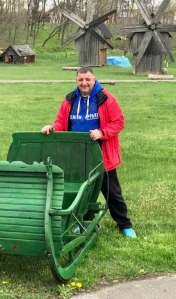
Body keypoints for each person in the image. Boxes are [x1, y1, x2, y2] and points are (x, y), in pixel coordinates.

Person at [41, 66, 136, 238]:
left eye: (88, 79)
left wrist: (102, 132)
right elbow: (61, 123)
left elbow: (119, 122)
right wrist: (52, 128)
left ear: (94, 79)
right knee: (81, 192)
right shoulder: (70, 99)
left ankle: (125, 225)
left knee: (112, 192)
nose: (84, 83)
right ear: (76, 81)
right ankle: (82, 221)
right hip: (78, 156)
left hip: (102, 155)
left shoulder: (106, 98)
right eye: (81, 80)